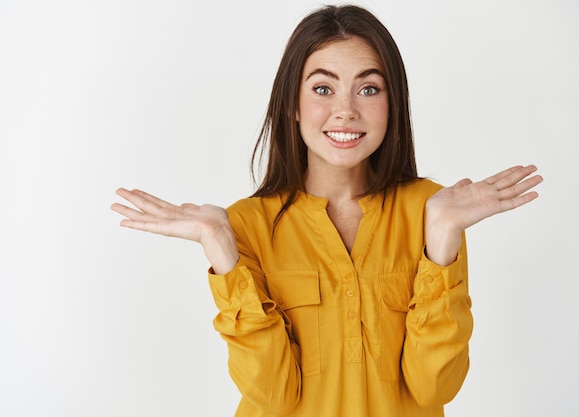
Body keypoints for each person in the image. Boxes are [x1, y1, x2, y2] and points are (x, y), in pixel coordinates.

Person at [111, 4, 542, 417]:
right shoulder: (245, 224)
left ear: (393, 105)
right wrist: (221, 248)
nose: (346, 110)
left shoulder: (433, 212)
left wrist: (444, 236)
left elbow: (435, 386)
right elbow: (274, 396)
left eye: (368, 88)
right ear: (292, 105)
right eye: (323, 88)